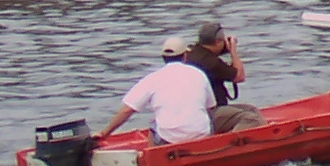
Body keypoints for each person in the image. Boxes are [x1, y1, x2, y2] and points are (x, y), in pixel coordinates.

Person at [97, 34, 262, 143]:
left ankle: (153, 155)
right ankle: (229, 145)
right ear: (185, 56)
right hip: (200, 134)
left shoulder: (152, 79)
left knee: (155, 123)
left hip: (168, 138)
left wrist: (105, 133)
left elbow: (126, 110)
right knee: (248, 116)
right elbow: (210, 108)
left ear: (163, 57)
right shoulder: (198, 74)